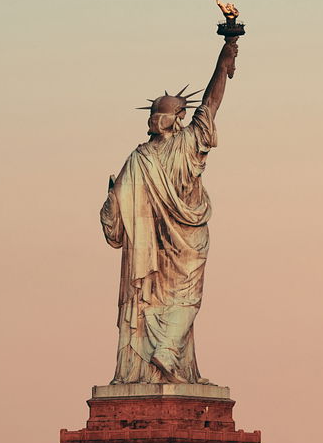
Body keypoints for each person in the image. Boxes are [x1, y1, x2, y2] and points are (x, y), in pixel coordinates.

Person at [100, 22, 240, 385]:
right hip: (188, 238)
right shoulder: (187, 144)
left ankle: (161, 360)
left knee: (151, 301)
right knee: (188, 297)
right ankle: (165, 354)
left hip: (151, 250)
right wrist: (225, 56)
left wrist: (111, 204)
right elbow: (212, 102)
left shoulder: (139, 158)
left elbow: (115, 218)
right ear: (177, 120)